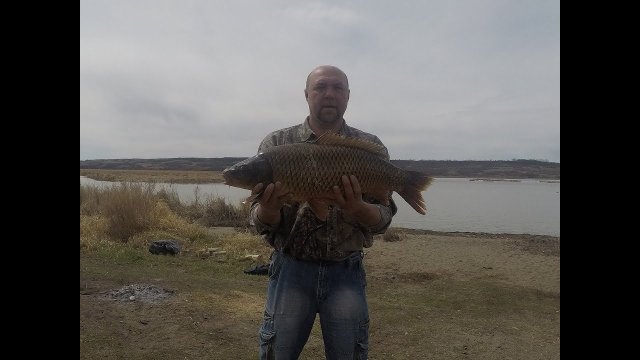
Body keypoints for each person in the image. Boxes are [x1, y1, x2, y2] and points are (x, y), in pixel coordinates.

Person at [250, 65, 397, 359]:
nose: (329, 94)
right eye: (320, 87)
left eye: (337, 88)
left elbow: (383, 220)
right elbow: (260, 223)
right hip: (290, 270)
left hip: (346, 272)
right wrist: (268, 208)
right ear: (307, 95)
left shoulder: (369, 148)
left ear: (347, 96)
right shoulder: (277, 145)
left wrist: (357, 208)